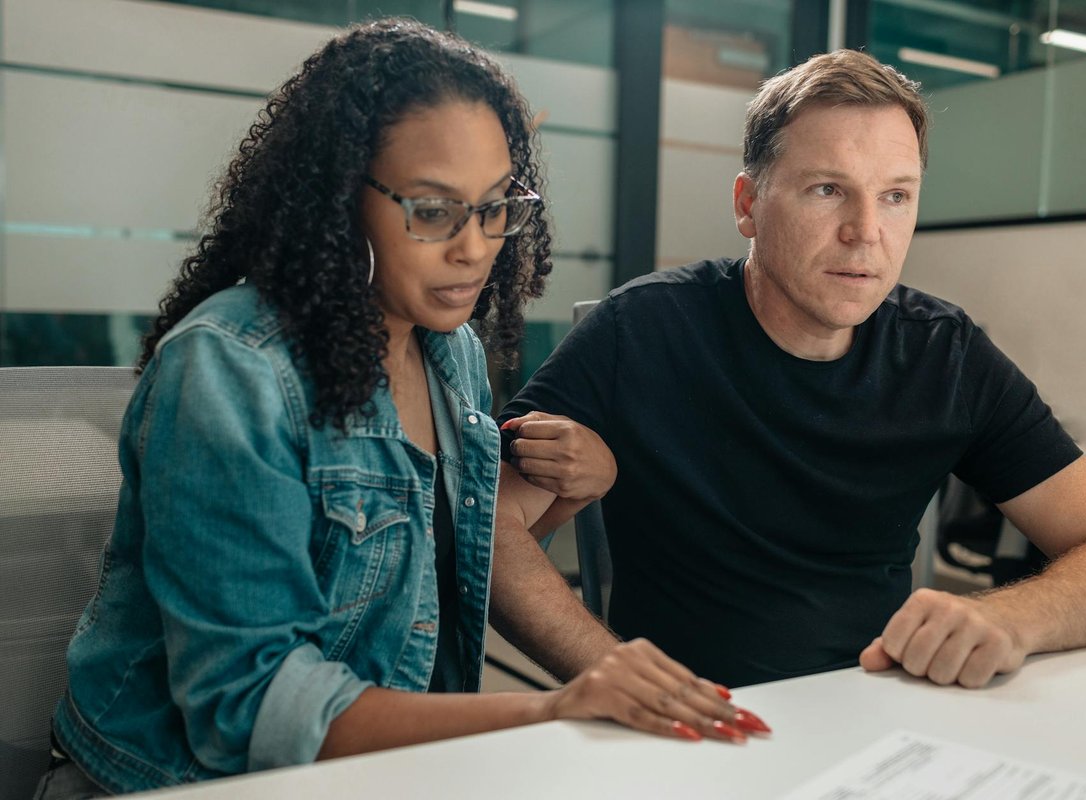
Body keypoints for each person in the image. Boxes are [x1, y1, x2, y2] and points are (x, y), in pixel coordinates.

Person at [38, 20, 765, 799]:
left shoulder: (439, 346)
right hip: (179, 782)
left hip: (373, 775)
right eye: (433, 210)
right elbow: (247, 709)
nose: (475, 247)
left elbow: (427, 572)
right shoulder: (230, 369)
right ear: (335, 195)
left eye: (496, 207)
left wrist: (562, 494)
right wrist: (550, 710)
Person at [499, 49, 1086, 691]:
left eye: (896, 195)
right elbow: (487, 530)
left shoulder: (942, 353)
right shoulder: (644, 329)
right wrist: (614, 673)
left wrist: (1014, 618)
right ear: (748, 204)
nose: (866, 231)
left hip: (880, 705)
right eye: (828, 189)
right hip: (697, 722)